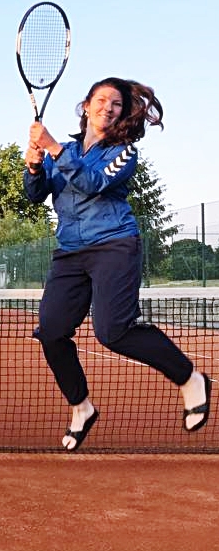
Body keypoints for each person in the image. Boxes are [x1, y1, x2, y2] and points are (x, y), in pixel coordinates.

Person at [24, 77, 212, 451]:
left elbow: (93, 183)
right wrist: (33, 167)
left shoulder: (123, 152)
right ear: (86, 105)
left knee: (113, 331)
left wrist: (54, 149)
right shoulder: (69, 147)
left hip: (114, 245)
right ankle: (81, 407)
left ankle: (190, 378)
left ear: (123, 114)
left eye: (116, 104)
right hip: (69, 251)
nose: (107, 108)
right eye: (101, 100)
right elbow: (35, 195)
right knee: (51, 331)